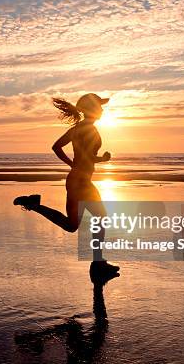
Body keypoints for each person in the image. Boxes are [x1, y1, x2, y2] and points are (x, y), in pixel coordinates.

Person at [14, 93, 119, 272]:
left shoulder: (78, 128)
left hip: (75, 180)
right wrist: (102, 158)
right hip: (82, 182)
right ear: (92, 109)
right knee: (100, 217)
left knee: (72, 225)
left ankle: (34, 204)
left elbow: (57, 147)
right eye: (99, 106)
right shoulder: (89, 129)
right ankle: (98, 264)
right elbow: (86, 156)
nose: (102, 109)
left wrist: (73, 164)